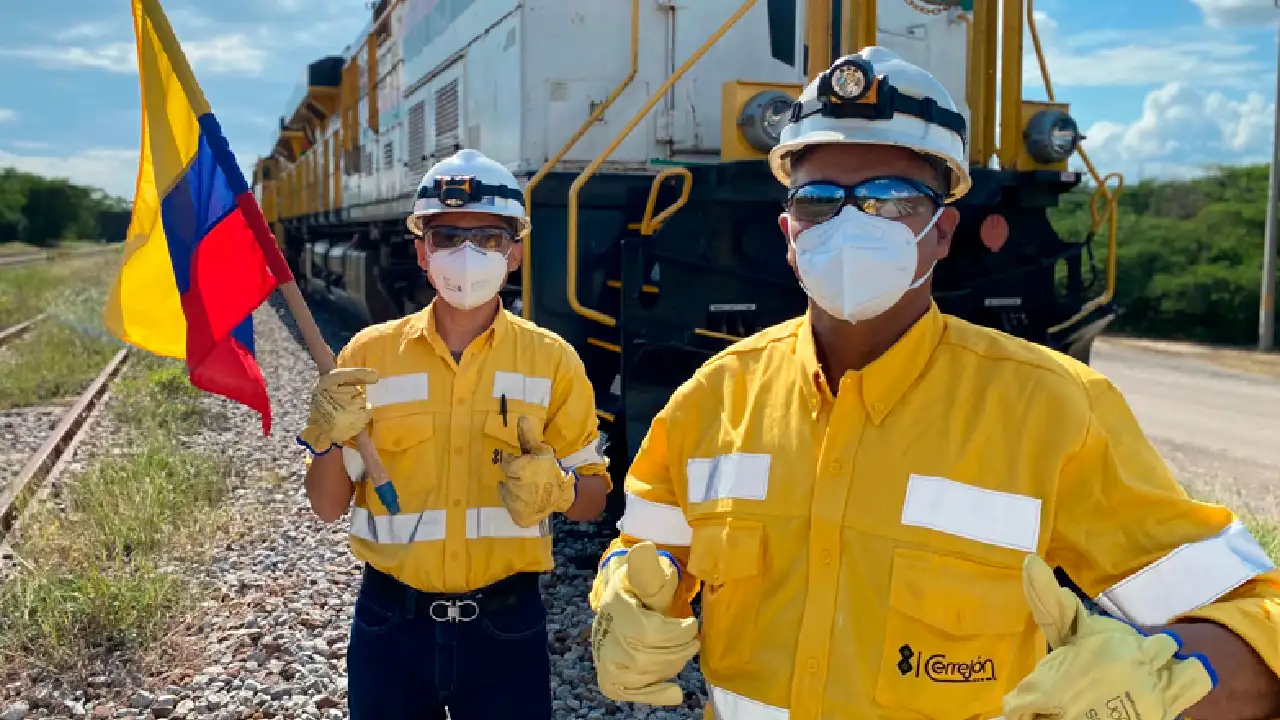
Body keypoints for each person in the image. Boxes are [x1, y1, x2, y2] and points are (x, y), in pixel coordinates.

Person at [587, 47, 1280, 720]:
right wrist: (623, 599)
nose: (852, 222)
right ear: (788, 230)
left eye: (891, 199)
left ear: (944, 231)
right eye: (820, 200)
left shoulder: (1052, 411)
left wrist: (1172, 677)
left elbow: (1256, 611)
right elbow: (648, 553)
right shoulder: (713, 400)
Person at [297, 148, 611, 719]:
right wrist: (324, 438)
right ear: (421, 251)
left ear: (515, 252)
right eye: (447, 236)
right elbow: (326, 506)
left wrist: (561, 491)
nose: (467, 255)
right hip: (390, 625)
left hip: (506, 627)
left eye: (489, 238)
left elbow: (593, 500)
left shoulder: (553, 362)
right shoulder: (369, 356)